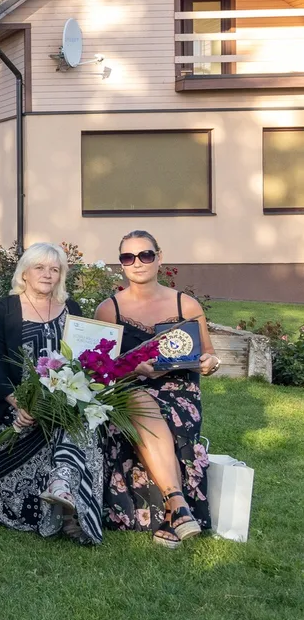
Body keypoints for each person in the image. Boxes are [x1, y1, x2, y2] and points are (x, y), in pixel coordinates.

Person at [95, 230, 219, 549]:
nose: (137, 263)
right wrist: (131, 367)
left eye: (145, 255)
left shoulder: (185, 304)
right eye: (128, 257)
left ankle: (171, 514)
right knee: (139, 402)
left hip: (180, 390)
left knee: (163, 415)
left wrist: (209, 362)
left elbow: (208, 353)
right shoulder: (109, 309)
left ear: (159, 258)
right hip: (128, 388)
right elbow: (99, 369)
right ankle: (177, 505)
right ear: (121, 264)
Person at [0, 242, 100, 544]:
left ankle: (67, 501)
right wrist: (17, 401)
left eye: (54, 269)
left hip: (64, 404)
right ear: (25, 273)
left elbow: (82, 360)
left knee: (82, 424)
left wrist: (73, 397)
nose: (47, 274)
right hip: (17, 408)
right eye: (40, 268)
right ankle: (66, 508)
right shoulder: (6, 308)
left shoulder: (73, 310)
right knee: (68, 429)